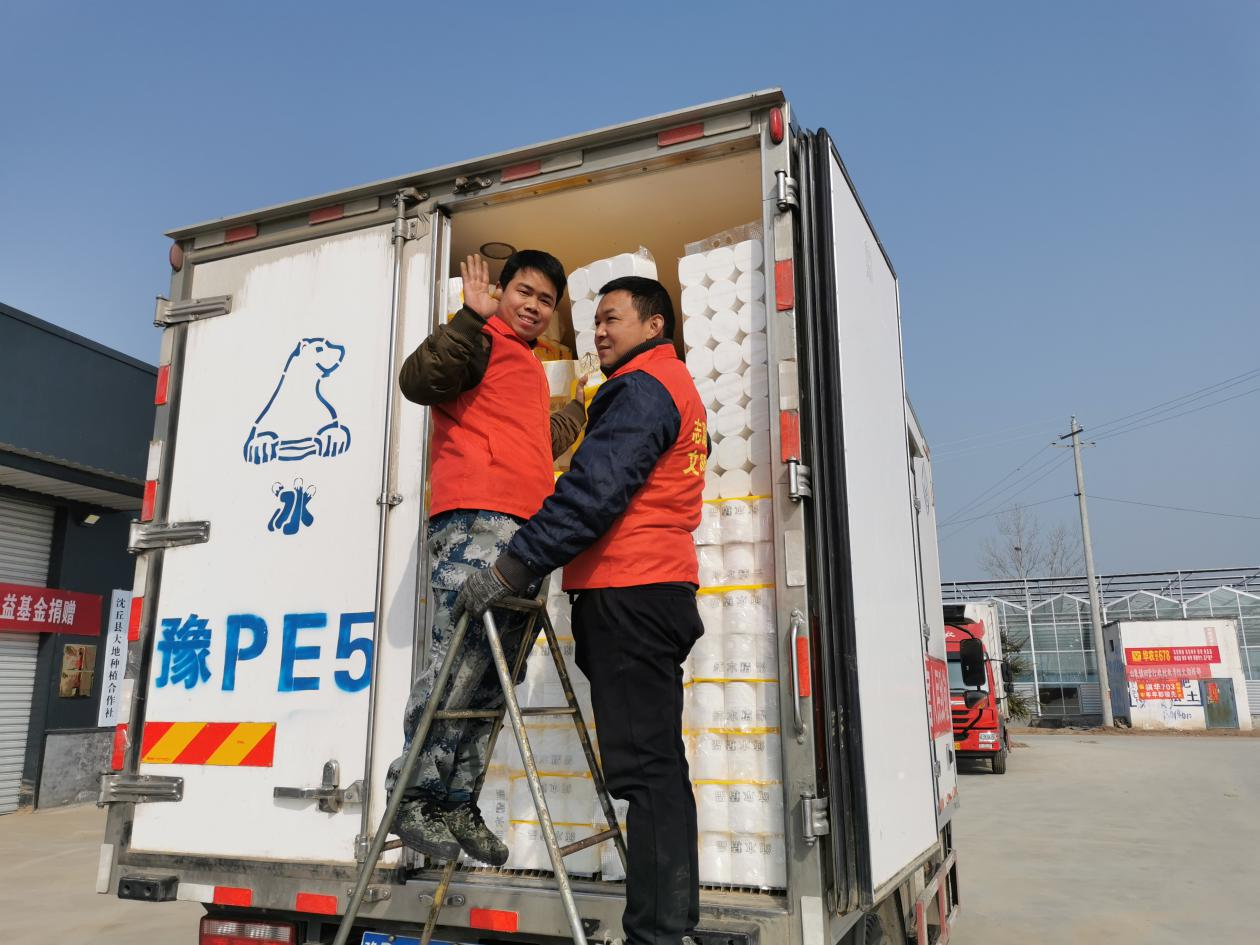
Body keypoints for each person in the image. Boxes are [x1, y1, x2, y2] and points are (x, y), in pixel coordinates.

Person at [455, 276, 707, 945]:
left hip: (632, 590)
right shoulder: (671, 387)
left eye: (612, 318)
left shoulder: (642, 388)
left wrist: (511, 566)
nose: (599, 331)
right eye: (595, 320)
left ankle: (658, 935)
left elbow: (593, 492)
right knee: (657, 768)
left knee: (646, 771)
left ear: (654, 325)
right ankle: (669, 926)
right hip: (654, 589)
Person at [387, 249, 585, 867]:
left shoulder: (527, 365)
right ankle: (412, 793)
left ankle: (457, 800)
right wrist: (469, 318)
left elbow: (536, 442)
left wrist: (582, 409)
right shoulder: (476, 341)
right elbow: (417, 381)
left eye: (546, 300)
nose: (533, 306)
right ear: (501, 291)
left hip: (528, 533)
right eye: (524, 291)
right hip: (475, 521)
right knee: (457, 663)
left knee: (498, 676)